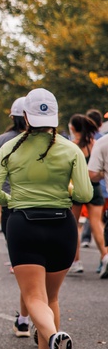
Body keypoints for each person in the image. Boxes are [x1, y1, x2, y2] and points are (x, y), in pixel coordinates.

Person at [0, 88, 92, 349]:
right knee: (52, 297)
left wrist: (14, 200)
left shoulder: (10, 148)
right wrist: (64, 193)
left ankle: (55, 338)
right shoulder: (71, 149)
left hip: (24, 225)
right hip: (62, 226)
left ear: (26, 117)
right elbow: (85, 194)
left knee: (34, 297)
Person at [0, 96, 30, 335]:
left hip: (14, 208)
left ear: (13, 117)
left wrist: (7, 201)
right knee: (46, 271)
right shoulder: (57, 142)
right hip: (54, 210)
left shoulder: (2, 141)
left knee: (25, 266)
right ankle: (43, 324)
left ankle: (25, 319)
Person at [68, 113, 108, 277]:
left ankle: (75, 261)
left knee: (73, 225)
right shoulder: (94, 144)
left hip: (76, 188)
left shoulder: (72, 146)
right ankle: (105, 256)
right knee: (97, 223)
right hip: (96, 187)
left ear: (73, 128)